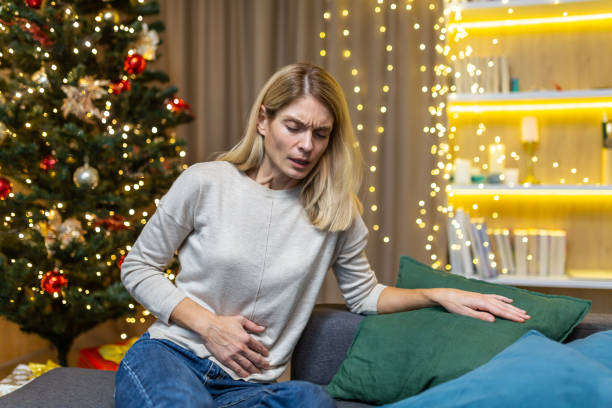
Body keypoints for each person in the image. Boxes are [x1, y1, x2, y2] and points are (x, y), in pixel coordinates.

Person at [115, 62, 530, 408]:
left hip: (251, 387)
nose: (306, 146)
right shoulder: (207, 183)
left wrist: (436, 294)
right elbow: (137, 267)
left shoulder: (334, 210)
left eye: (320, 133)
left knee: (311, 401)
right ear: (263, 120)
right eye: (293, 127)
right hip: (174, 356)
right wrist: (209, 326)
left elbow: (364, 295)